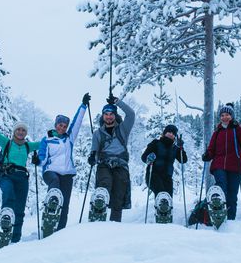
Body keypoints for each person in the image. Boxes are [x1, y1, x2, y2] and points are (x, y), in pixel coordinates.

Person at [0, 114, 40, 243]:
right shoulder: (6, 143)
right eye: (18, 129)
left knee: (20, 209)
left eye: (23, 130)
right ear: (14, 131)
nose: (21, 132)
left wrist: (55, 134)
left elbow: (44, 143)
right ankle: (4, 230)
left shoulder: (28, 146)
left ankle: (15, 238)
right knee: (9, 195)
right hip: (7, 176)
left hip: (22, 179)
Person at [38, 93, 90, 231]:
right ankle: (51, 204)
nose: (62, 128)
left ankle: (60, 231)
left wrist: (83, 105)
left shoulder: (69, 139)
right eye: (60, 125)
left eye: (65, 126)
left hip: (67, 174)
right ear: (56, 125)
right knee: (54, 182)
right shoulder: (47, 139)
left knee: (65, 203)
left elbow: (77, 122)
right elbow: (42, 158)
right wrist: (38, 160)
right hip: (50, 172)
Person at [88, 94, 135, 222]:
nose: (108, 116)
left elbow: (131, 114)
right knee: (104, 186)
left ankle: (114, 226)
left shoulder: (123, 129)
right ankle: (97, 216)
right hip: (104, 164)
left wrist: (117, 102)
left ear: (115, 115)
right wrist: (92, 157)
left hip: (121, 165)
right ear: (103, 116)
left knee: (118, 197)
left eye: (111, 114)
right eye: (106, 114)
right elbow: (95, 150)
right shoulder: (98, 134)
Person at [202, 103, 241, 220]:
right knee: (221, 186)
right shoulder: (217, 132)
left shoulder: (236, 129)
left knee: (232, 194)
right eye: (222, 115)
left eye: (227, 115)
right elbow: (211, 149)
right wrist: (207, 155)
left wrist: (237, 127)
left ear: (231, 116)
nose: (225, 117)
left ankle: (230, 219)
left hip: (235, 166)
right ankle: (218, 212)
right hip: (219, 165)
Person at [141, 124, 187, 198]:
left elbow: (183, 160)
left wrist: (181, 147)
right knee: (161, 194)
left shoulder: (175, 148)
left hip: (167, 177)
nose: (171, 134)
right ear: (165, 133)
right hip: (153, 175)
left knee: (168, 199)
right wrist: (149, 158)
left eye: (173, 133)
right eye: (169, 132)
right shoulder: (155, 143)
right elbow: (144, 157)